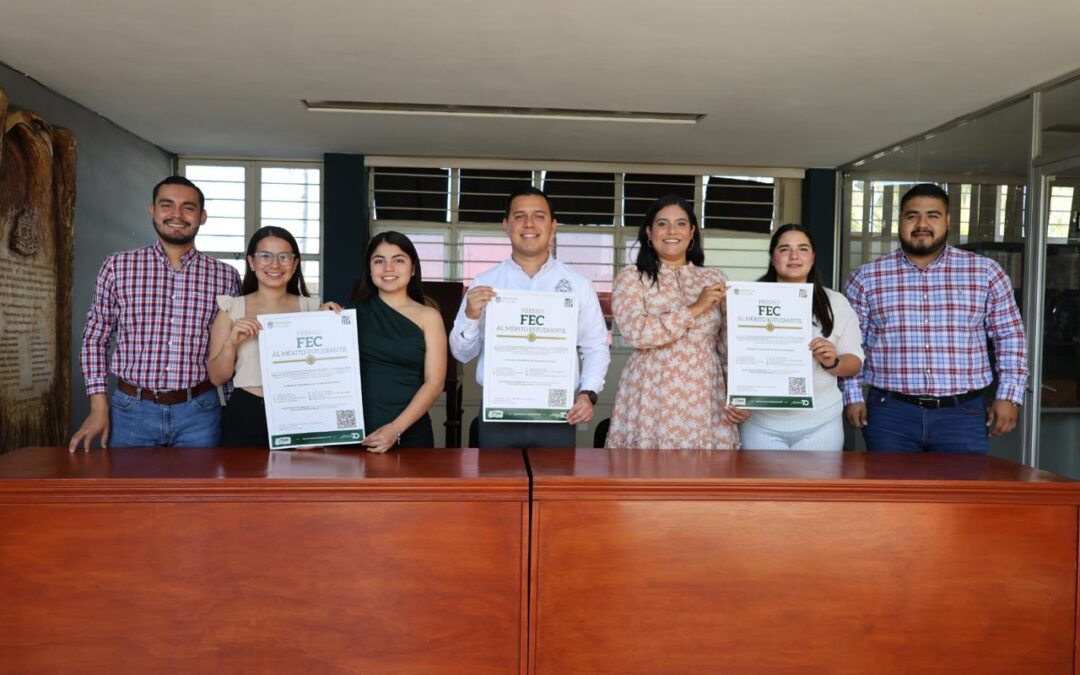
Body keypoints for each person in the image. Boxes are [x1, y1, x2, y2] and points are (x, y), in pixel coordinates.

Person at [841, 183, 1028, 453]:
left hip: (962, 414)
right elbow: (851, 345)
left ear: (948, 220)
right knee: (891, 493)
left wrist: (1009, 396)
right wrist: (853, 395)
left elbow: (1009, 336)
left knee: (961, 495)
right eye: (912, 215)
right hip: (890, 414)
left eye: (933, 215)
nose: (922, 224)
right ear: (900, 221)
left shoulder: (985, 272)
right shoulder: (867, 277)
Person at [69, 176, 241, 451]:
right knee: (129, 494)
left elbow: (232, 348)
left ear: (202, 216)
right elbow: (95, 338)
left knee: (197, 494)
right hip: (130, 412)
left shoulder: (225, 276)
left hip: (200, 413)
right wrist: (98, 407)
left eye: (188, 207)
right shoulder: (118, 267)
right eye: (167, 205)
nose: (177, 214)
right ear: (152, 210)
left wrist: (234, 412)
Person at [449, 186, 610, 448]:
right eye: (519, 216)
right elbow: (461, 354)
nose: (529, 224)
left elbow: (595, 347)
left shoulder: (577, 284)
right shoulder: (485, 283)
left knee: (554, 488)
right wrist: (470, 315)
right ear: (506, 224)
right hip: (499, 412)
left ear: (553, 225)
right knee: (498, 488)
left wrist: (587, 395)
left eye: (539, 216)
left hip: (558, 414)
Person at [605, 194, 736, 449]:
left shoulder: (714, 277)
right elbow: (636, 333)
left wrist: (738, 395)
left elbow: (728, 346)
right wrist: (695, 309)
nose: (671, 231)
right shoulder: (632, 277)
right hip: (652, 391)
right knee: (648, 475)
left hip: (705, 393)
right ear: (649, 232)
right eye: (662, 224)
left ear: (692, 232)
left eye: (680, 224)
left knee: (704, 477)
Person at [723, 224, 864, 450]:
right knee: (764, 487)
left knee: (816, 486)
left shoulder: (835, 303)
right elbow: (731, 358)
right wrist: (739, 400)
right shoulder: (747, 300)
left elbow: (854, 362)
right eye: (784, 249)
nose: (794, 256)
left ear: (813, 256)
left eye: (803, 249)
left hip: (822, 420)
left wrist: (833, 361)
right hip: (760, 421)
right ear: (772, 257)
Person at [207, 226, 336, 447]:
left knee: (299, 480)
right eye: (265, 256)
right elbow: (216, 378)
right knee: (245, 480)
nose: (275, 265)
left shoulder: (315, 309)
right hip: (247, 413)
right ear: (251, 262)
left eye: (283, 257)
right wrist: (231, 343)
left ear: (294, 264)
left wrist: (336, 325)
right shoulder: (231, 309)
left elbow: (331, 372)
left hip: (302, 411)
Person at [351, 231, 447, 451]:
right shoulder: (347, 315)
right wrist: (321, 321)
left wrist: (395, 429)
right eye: (379, 261)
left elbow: (434, 383)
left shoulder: (429, 317)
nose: (388, 268)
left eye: (398, 260)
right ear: (369, 269)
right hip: (355, 433)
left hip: (409, 432)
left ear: (413, 268)